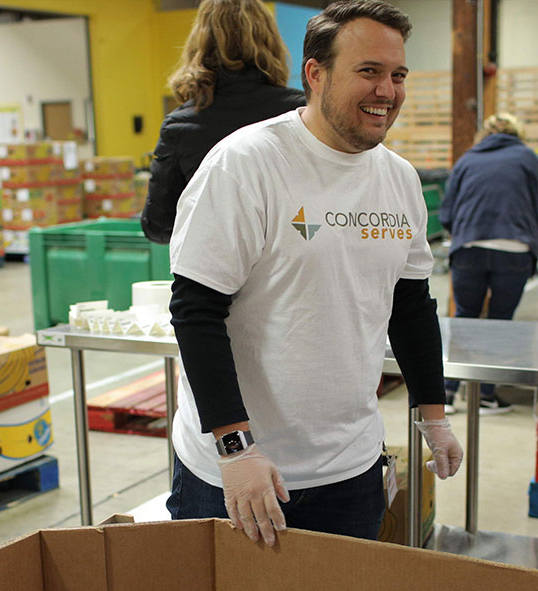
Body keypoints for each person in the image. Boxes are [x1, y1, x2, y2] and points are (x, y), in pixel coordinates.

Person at [165, 0, 463, 544]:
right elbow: (195, 310)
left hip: (349, 471)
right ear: (316, 73)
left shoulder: (399, 180)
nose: (387, 91)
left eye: (397, 75)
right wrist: (237, 449)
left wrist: (434, 413)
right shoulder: (247, 163)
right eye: (368, 71)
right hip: (240, 470)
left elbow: (411, 307)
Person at [140, 0, 306, 244]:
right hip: (290, 271)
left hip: (216, 275)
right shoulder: (302, 112)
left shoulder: (181, 126)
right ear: (270, 41)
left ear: (200, 44)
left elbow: (159, 226)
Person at [437, 113, 538, 415]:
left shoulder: (467, 159)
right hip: (514, 246)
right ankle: (485, 396)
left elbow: (447, 211)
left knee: (464, 319)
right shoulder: (527, 156)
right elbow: (535, 203)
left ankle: (447, 392)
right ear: (517, 133)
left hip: (469, 246)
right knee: (499, 323)